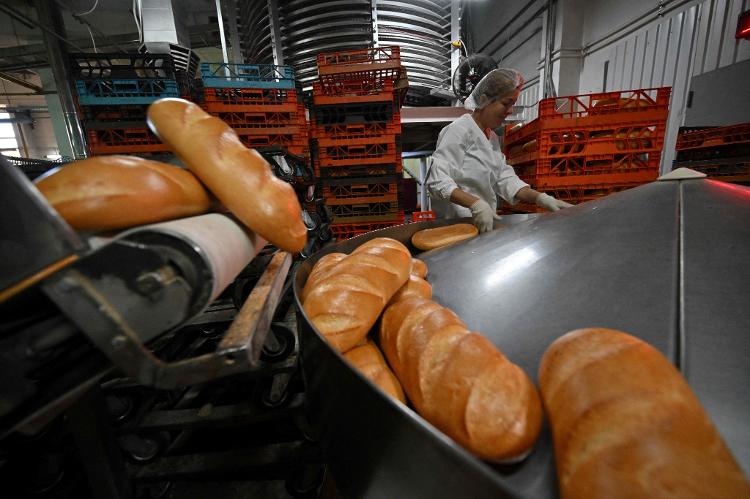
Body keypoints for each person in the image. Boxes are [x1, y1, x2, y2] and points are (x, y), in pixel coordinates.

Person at [425, 68, 572, 232]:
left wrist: (541, 198)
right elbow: (438, 181)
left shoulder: (492, 138)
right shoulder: (459, 131)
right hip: (455, 228)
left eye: (512, 104)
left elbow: (505, 178)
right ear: (483, 100)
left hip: (482, 225)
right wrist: (475, 204)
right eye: (505, 103)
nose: (510, 111)